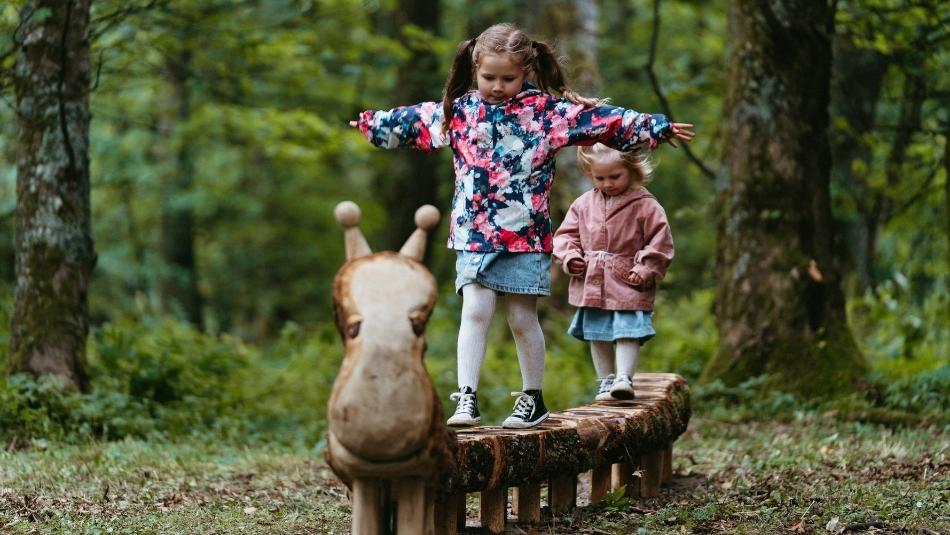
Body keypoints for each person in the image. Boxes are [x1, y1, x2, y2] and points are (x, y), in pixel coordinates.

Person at [351, 22, 693, 428]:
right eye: (488, 77)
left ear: (525, 72)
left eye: (508, 78)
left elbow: (603, 122)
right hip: (474, 234)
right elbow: (416, 121)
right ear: (475, 70)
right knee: (474, 310)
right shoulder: (459, 112)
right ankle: (467, 397)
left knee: (520, 318)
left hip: (525, 237)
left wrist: (654, 127)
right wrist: (375, 125)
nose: (497, 86)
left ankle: (533, 397)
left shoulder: (546, 114)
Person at [553, 143, 674, 401]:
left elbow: (660, 241)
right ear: (590, 174)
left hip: (628, 280)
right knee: (597, 331)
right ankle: (605, 381)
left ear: (631, 170)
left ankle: (624, 378)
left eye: (615, 176)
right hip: (592, 281)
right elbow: (565, 237)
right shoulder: (583, 204)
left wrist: (646, 268)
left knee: (627, 329)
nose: (607, 183)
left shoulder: (645, 205)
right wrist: (570, 257)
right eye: (600, 178)